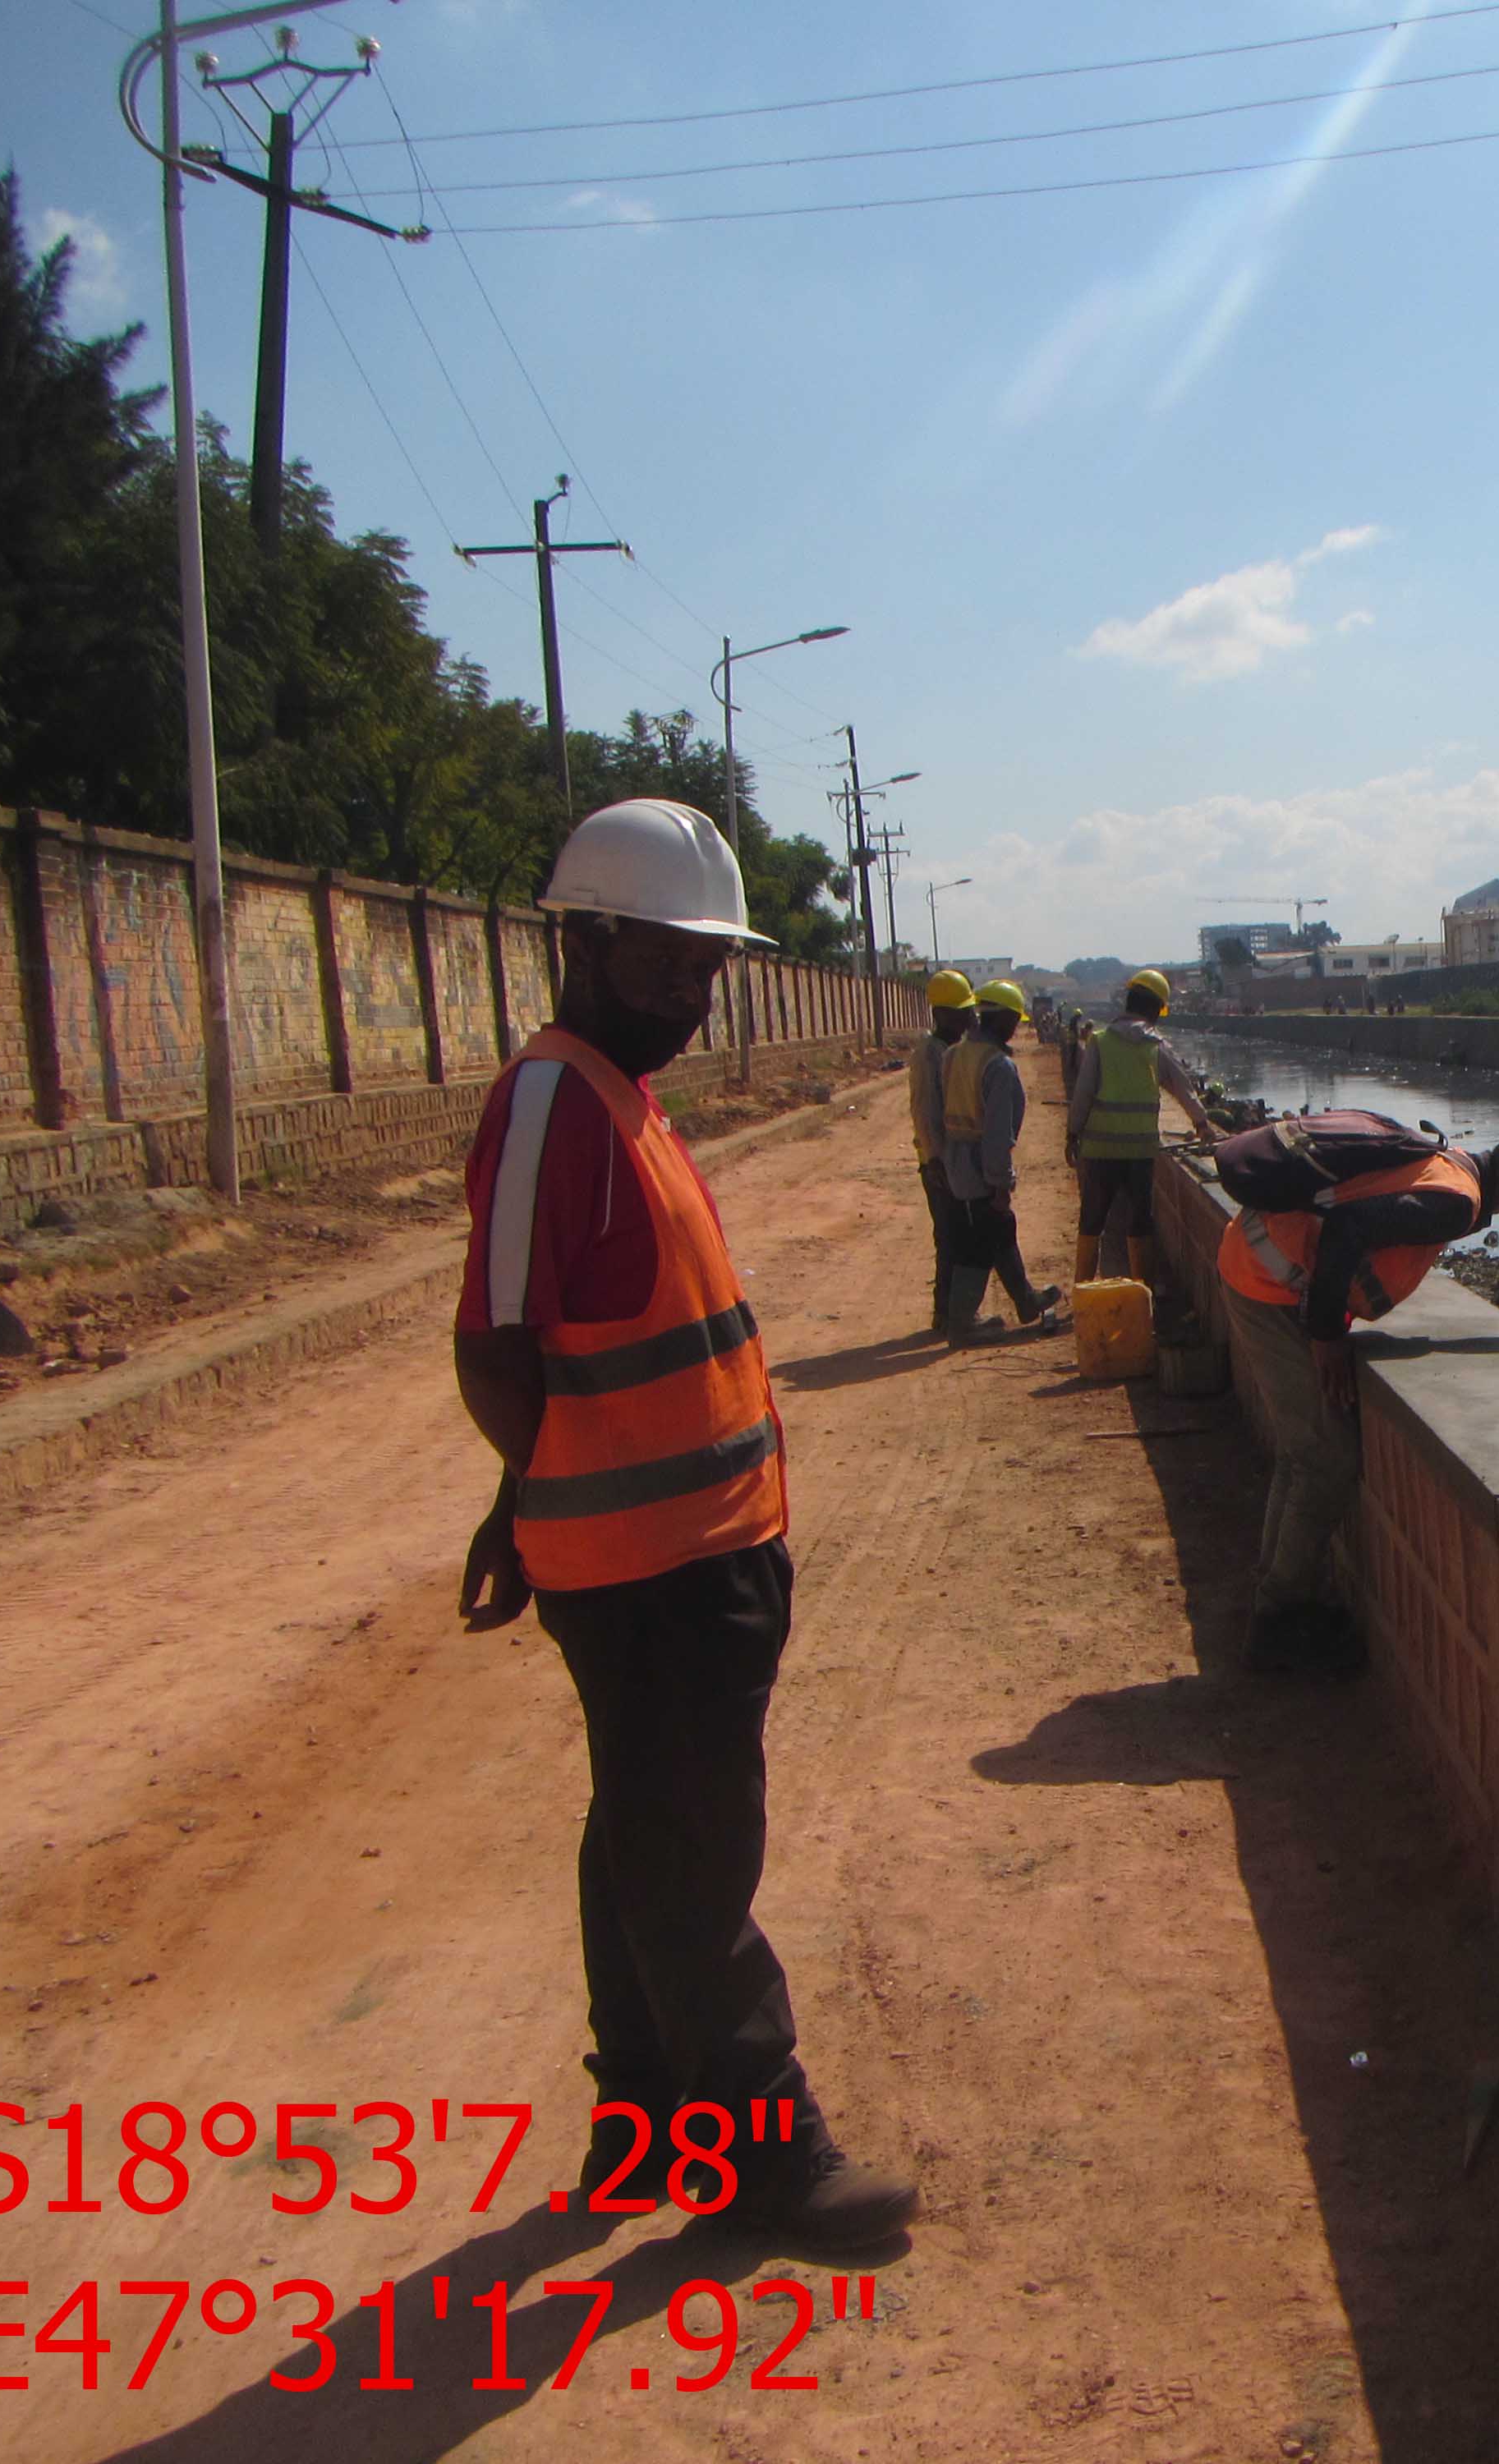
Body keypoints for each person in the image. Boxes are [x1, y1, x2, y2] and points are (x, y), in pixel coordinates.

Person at [450, 798, 916, 2249]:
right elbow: (497, 1342)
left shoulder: (621, 1094)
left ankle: (644, 2120)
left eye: (710, 969)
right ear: (583, 941)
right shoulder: (552, 1102)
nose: (697, 996)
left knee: (643, 1835)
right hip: (648, 1567)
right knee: (695, 1855)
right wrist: (522, 1501)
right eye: (671, 963)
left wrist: (515, 1500)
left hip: (699, 1549)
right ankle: (764, 2157)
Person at [1216, 1096, 1499, 1674]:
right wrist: (1326, 1335)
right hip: (1267, 1283)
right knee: (1325, 1459)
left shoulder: (1453, 1176)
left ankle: (1278, 1596)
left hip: (1260, 1268)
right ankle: (1278, 1620)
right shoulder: (1456, 1201)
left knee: (1305, 1453)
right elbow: (1348, 1228)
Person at [1067, 968, 1215, 1313]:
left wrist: (1072, 1133)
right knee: (1140, 1221)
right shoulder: (1155, 1046)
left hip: (1100, 1150)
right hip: (1139, 1151)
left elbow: (1083, 1095)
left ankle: (1083, 1295)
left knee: (1092, 1219)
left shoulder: (1100, 1043)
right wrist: (1202, 1123)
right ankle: (1143, 1294)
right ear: (1154, 1009)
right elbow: (1183, 1088)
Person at [944, 979, 1065, 1339]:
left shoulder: (955, 1054)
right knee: (978, 1243)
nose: (1017, 1027)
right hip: (980, 1166)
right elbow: (997, 1133)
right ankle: (963, 1324)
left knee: (997, 1230)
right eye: (1014, 1020)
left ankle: (1026, 1300)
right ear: (1001, 1020)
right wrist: (999, 1182)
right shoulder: (998, 1066)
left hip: (956, 1162)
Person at [908, 970, 980, 1338]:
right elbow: (925, 1111)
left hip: (952, 1160)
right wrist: (935, 1158)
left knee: (958, 1233)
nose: (969, 1020)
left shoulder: (949, 1051)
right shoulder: (929, 1054)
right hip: (939, 1163)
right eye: (963, 1013)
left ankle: (950, 1312)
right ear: (941, 1014)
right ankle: (948, 1313)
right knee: (951, 1236)